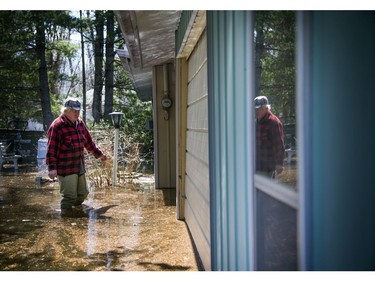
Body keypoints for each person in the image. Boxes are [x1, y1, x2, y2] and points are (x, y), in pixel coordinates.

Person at [46, 98, 107, 217]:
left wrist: (99, 155)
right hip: (65, 167)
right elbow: (51, 150)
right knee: (69, 196)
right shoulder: (57, 126)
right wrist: (52, 168)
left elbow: (89, 142)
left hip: (78, 164)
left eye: (78, 111)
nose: (77, 113)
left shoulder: (80, 123)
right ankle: (66, 221)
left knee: (83, 193)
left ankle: (76, 215)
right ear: (66, 111)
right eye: (74, 111)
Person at [254, 95, 285, 179]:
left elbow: (279, 145)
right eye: (255, 109)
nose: (256, 111)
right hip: (255, 166)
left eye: (258, 109)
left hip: (267, 169)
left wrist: (279, 163)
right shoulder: (255, 122)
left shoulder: (273, 122)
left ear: (266, 108)